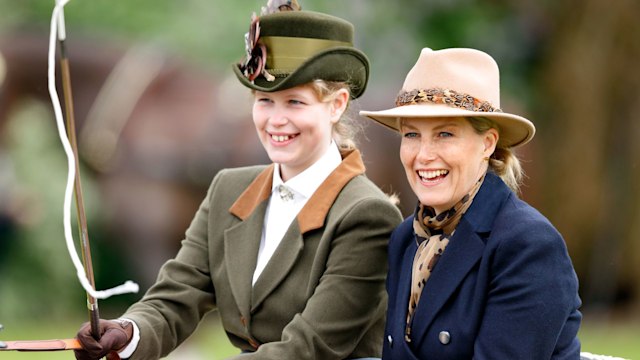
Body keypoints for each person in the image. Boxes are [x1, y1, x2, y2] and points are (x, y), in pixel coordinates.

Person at [73, 2, 403, 359]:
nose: (276, 120)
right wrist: (129, 332)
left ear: (337, 104)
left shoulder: (367, 215)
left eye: (294, 102)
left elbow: (308, 347)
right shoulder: (228, 189)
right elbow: (175, 298)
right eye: (265, 101)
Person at [360, 47, 582, 359]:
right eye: (411, 135)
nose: (423, 155)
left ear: (487, 144)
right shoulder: (404, 240)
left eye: (445, 134)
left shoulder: (528, 245)